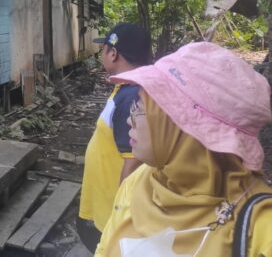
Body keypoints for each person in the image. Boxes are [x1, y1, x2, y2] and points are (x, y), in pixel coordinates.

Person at [95, 42, 272, 257]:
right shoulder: (138, 183)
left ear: (183, 124)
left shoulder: (262, 228)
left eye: (140, 108)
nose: (129, 121)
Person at [78, 23, 152, 251]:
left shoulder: (131, 96)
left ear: (113, 53)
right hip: (105, 206)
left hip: (111, 213)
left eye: (104, 49)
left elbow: (133, 159)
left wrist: (121, 215)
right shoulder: (124, 88)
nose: (102, 55)